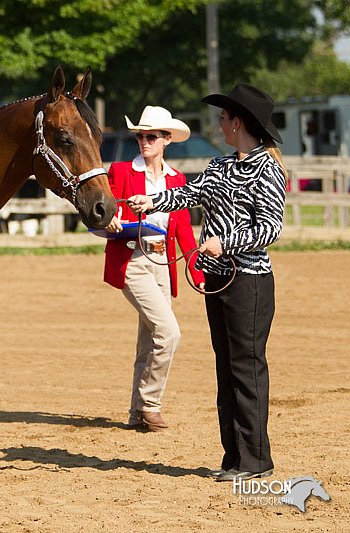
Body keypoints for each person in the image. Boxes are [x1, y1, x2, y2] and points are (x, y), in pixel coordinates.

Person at [127, 83, 286, 482]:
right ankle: (234, 457)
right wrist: (153, 201)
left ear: (238, 122)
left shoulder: (268, 169)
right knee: (225, 367)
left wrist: (223, 242)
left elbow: (270, 228)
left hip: (249, 282)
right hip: (218, 282)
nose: (218, 123)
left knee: (246, 368)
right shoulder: (220, 166)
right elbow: (190, 194)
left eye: (223, 117)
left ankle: (255, 459)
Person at [103, 106, 205, 432]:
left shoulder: (176, 179)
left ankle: (136, 413)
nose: (143, 141)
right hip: (132, 260)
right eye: (140, 136)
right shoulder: (120, 171)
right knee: (169, 332)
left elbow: (184, 230)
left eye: (150, 136)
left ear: (166, 140)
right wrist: (111, 220)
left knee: (148, 341)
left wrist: (197, 270)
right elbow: (102, 209)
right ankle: (151, 404)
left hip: (163, 263)